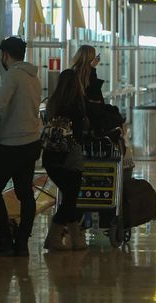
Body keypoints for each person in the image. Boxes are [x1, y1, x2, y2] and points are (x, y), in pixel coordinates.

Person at [0, 37, 42, 257]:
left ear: (5, 55)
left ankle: (5, 239)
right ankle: (22, 242)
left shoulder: (13, 75)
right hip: (31, 142)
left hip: (12, 145)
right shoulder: (33, 77)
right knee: (25, 192)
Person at [42, 69, 88, 252]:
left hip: (50, 157)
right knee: (70, 198)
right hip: (70, 157)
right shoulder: (77, 105)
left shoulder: (52, 104)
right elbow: (79, 133)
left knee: (69, 197)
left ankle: (76, 239)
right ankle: (53, 237)